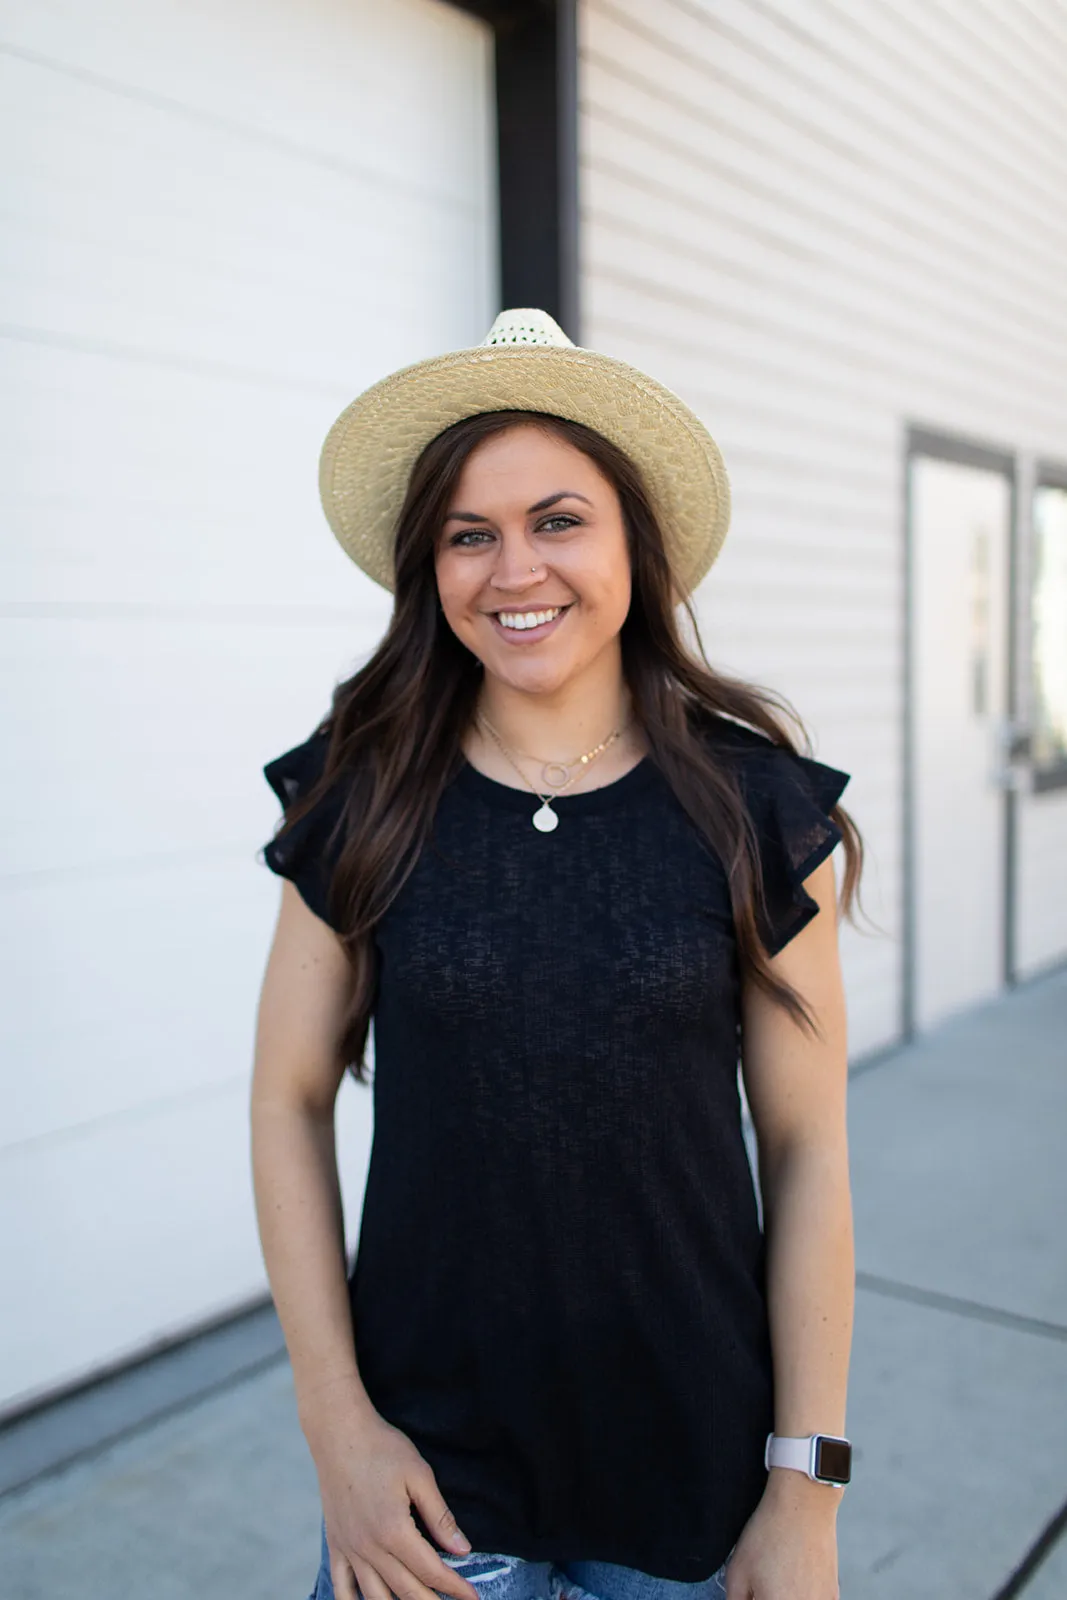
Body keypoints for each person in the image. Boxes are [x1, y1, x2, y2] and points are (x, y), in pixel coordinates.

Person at [251, 309, 864, 1600]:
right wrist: (337, 1434)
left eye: (557, 520)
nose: (511, 568)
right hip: (425, 1497)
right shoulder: (364, 796)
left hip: (695, 1483)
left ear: (634, 540)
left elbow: (807, 1149)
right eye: (468, 534)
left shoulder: (750, 810)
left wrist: (801, 1493)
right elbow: (287, 1098)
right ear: (430, 566)